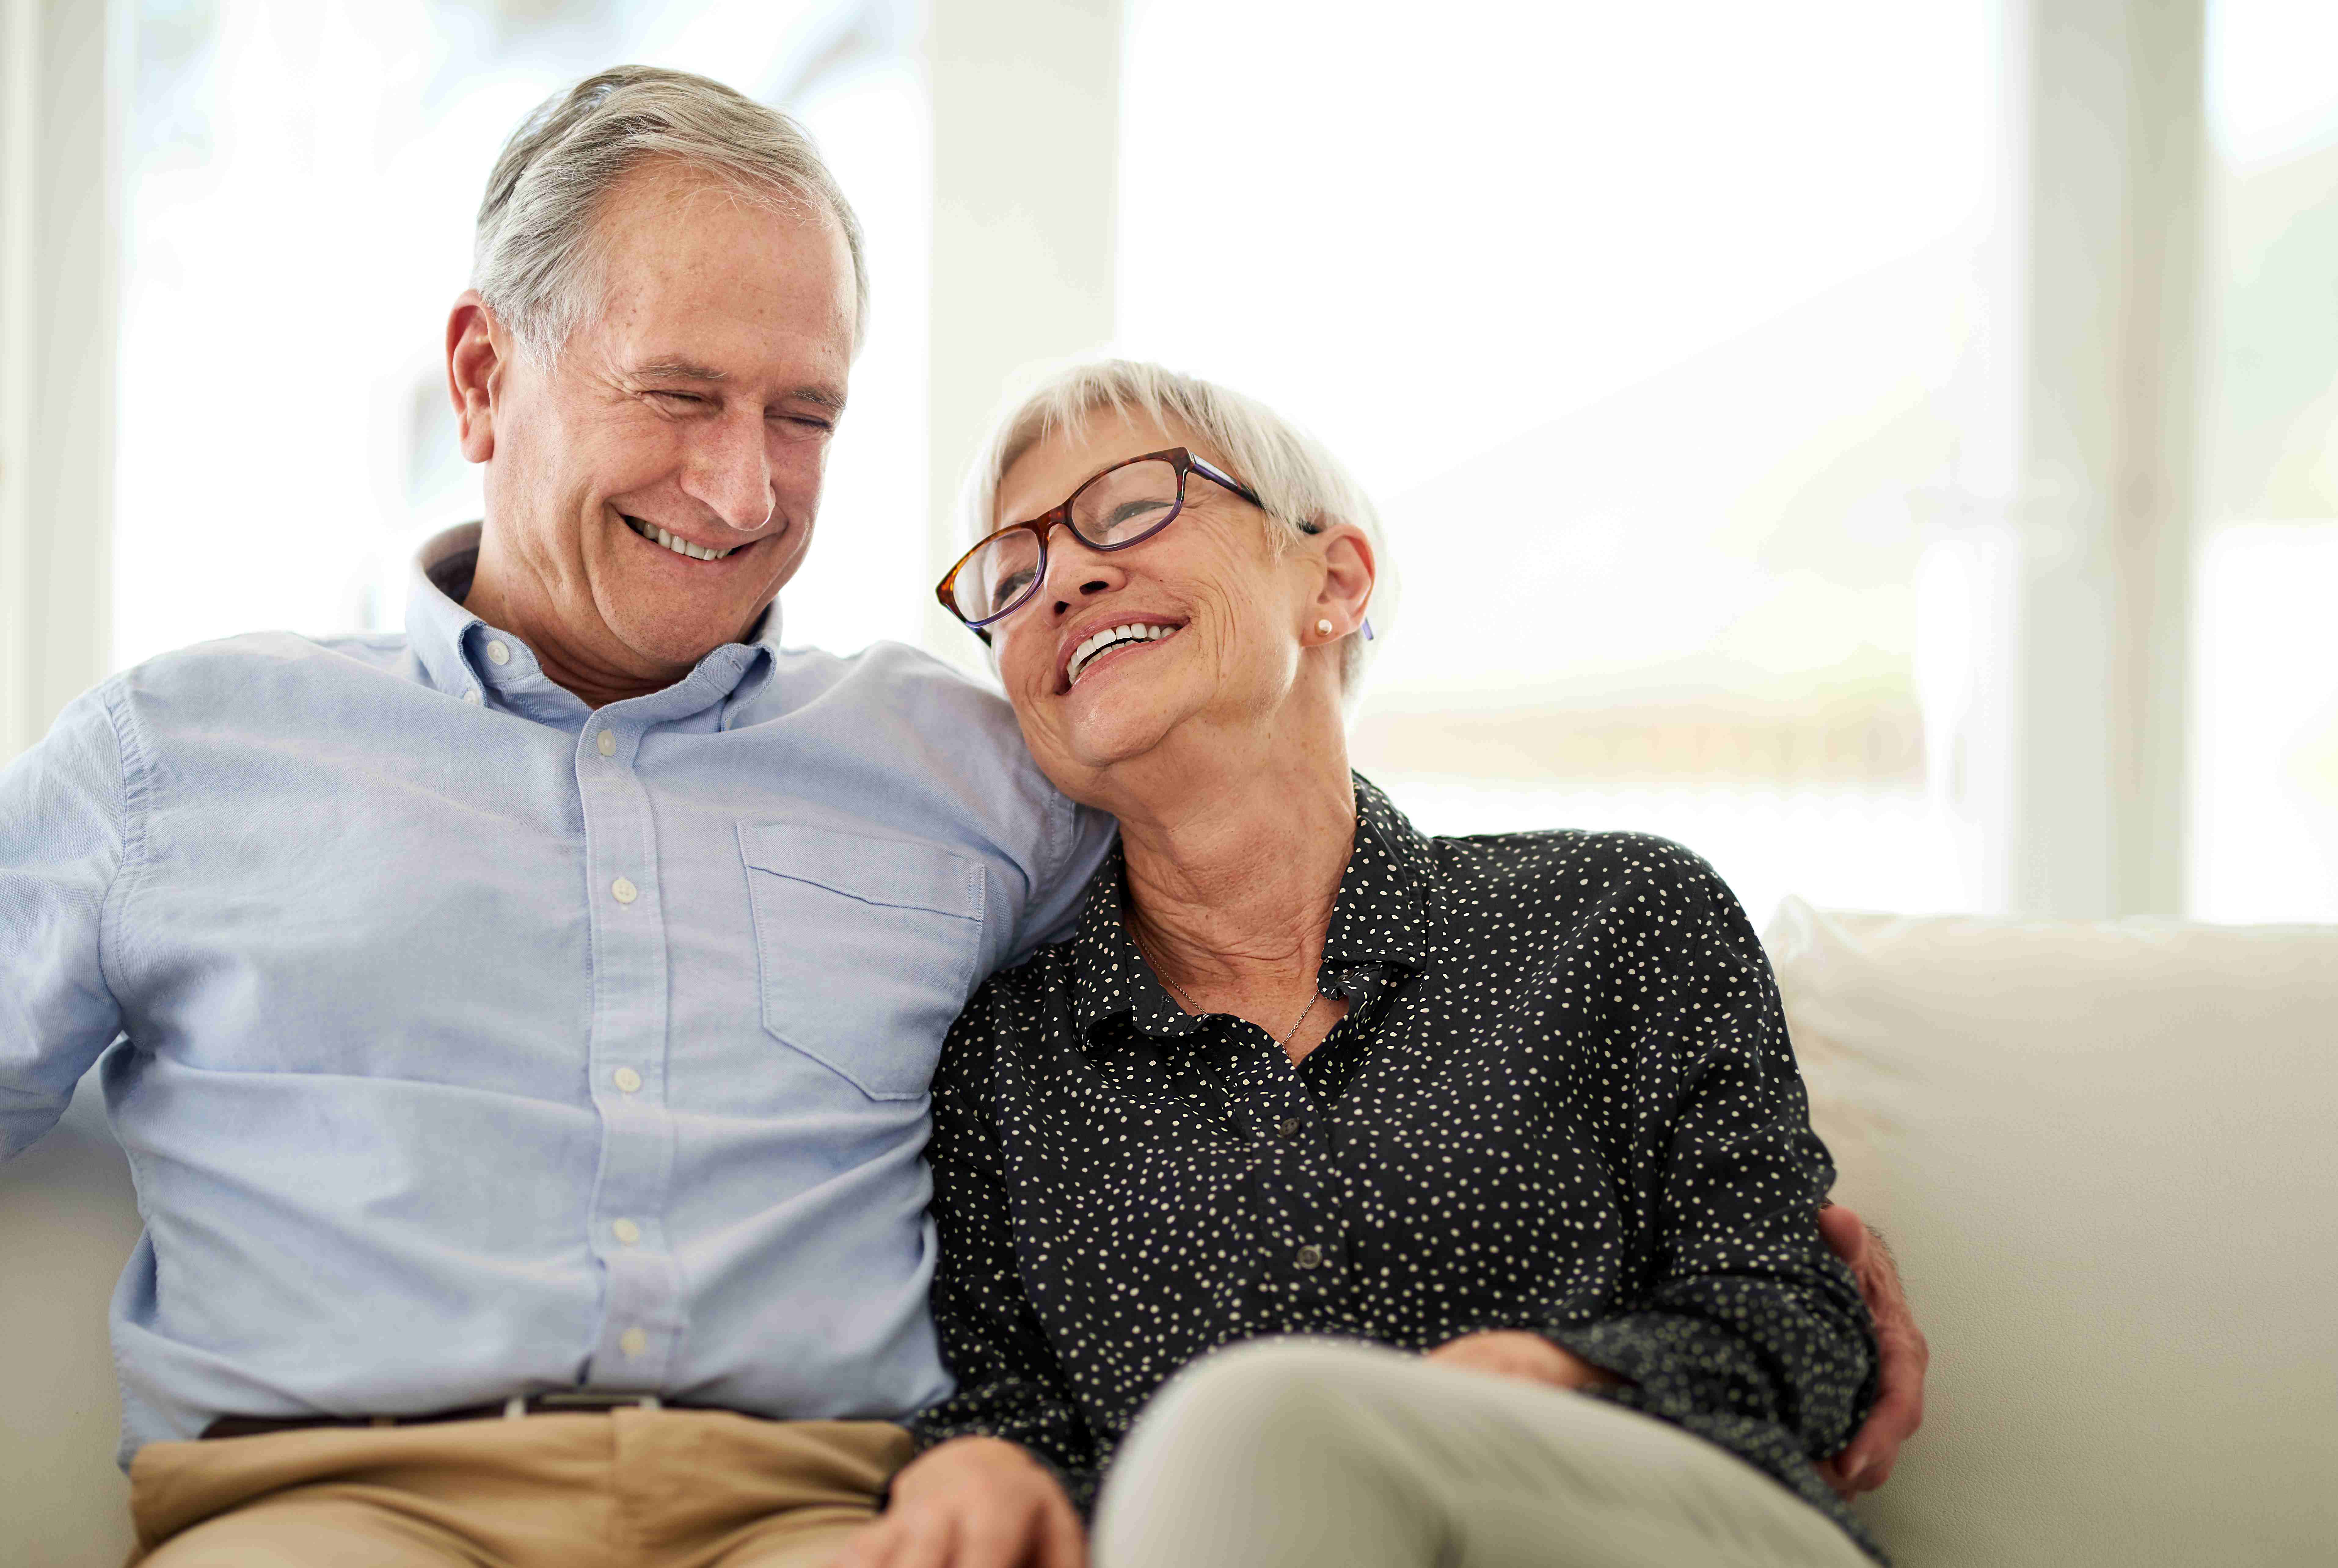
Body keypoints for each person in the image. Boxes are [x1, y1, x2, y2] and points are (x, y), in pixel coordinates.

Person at [0, 67, 1116, 1567]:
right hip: (331, 1510)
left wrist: (1013, 1432)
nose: (739, 491)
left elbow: (1233, 1021)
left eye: (803, 415)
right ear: (480, 377)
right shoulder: (177, 755)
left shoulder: (967, 771)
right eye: (676, 394)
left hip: (816, 1516)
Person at [835, 362, 1901, 1568]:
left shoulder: (1618, 913)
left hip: (1646, 1525)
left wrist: (1549, 1373)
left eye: (1131, 507)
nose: (1064, 578)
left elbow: (1805, 1323)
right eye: (1008, 576)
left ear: (1331, 581)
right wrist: (977, 1460)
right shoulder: (1002, 1057)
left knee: (1262, 1416)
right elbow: (1013, 1415)